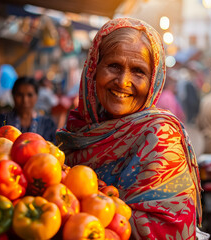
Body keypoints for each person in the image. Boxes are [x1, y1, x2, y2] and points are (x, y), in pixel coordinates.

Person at [56, 18, 202, 239]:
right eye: (113, 66)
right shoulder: (79, 127)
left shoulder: (160, 136)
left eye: (138, 71)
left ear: (153, 80)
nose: (123, 81)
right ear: (93, 69)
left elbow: (165, 230)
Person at [0, 76, 57, 142]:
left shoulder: (48, 124)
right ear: (13, 95)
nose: (25, 100)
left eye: (30, 95)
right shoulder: (1, 120)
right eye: (20, 95)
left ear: (37, 96)